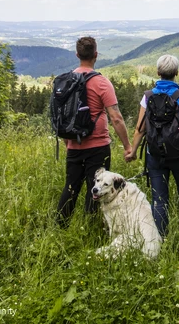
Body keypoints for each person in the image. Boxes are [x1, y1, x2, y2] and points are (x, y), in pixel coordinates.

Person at [56, 36, 133, 227]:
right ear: (96, 55)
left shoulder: (67, 82)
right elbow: (116, 117)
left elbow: (63, 116)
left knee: (71, 187)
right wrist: (127, 146)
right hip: (98, 145)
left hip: (74, 143)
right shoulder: (102, 83)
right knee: (96, 187)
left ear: (77, 55)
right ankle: (89, 229)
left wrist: (68, 142)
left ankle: (59, 226)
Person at [125, 54, 179, 239]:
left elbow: (140, 129)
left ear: (158, 73)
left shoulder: (148, 96)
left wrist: (133, 151)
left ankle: (160, 239)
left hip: (155, 155)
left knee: (159, 200)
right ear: (176, 73)